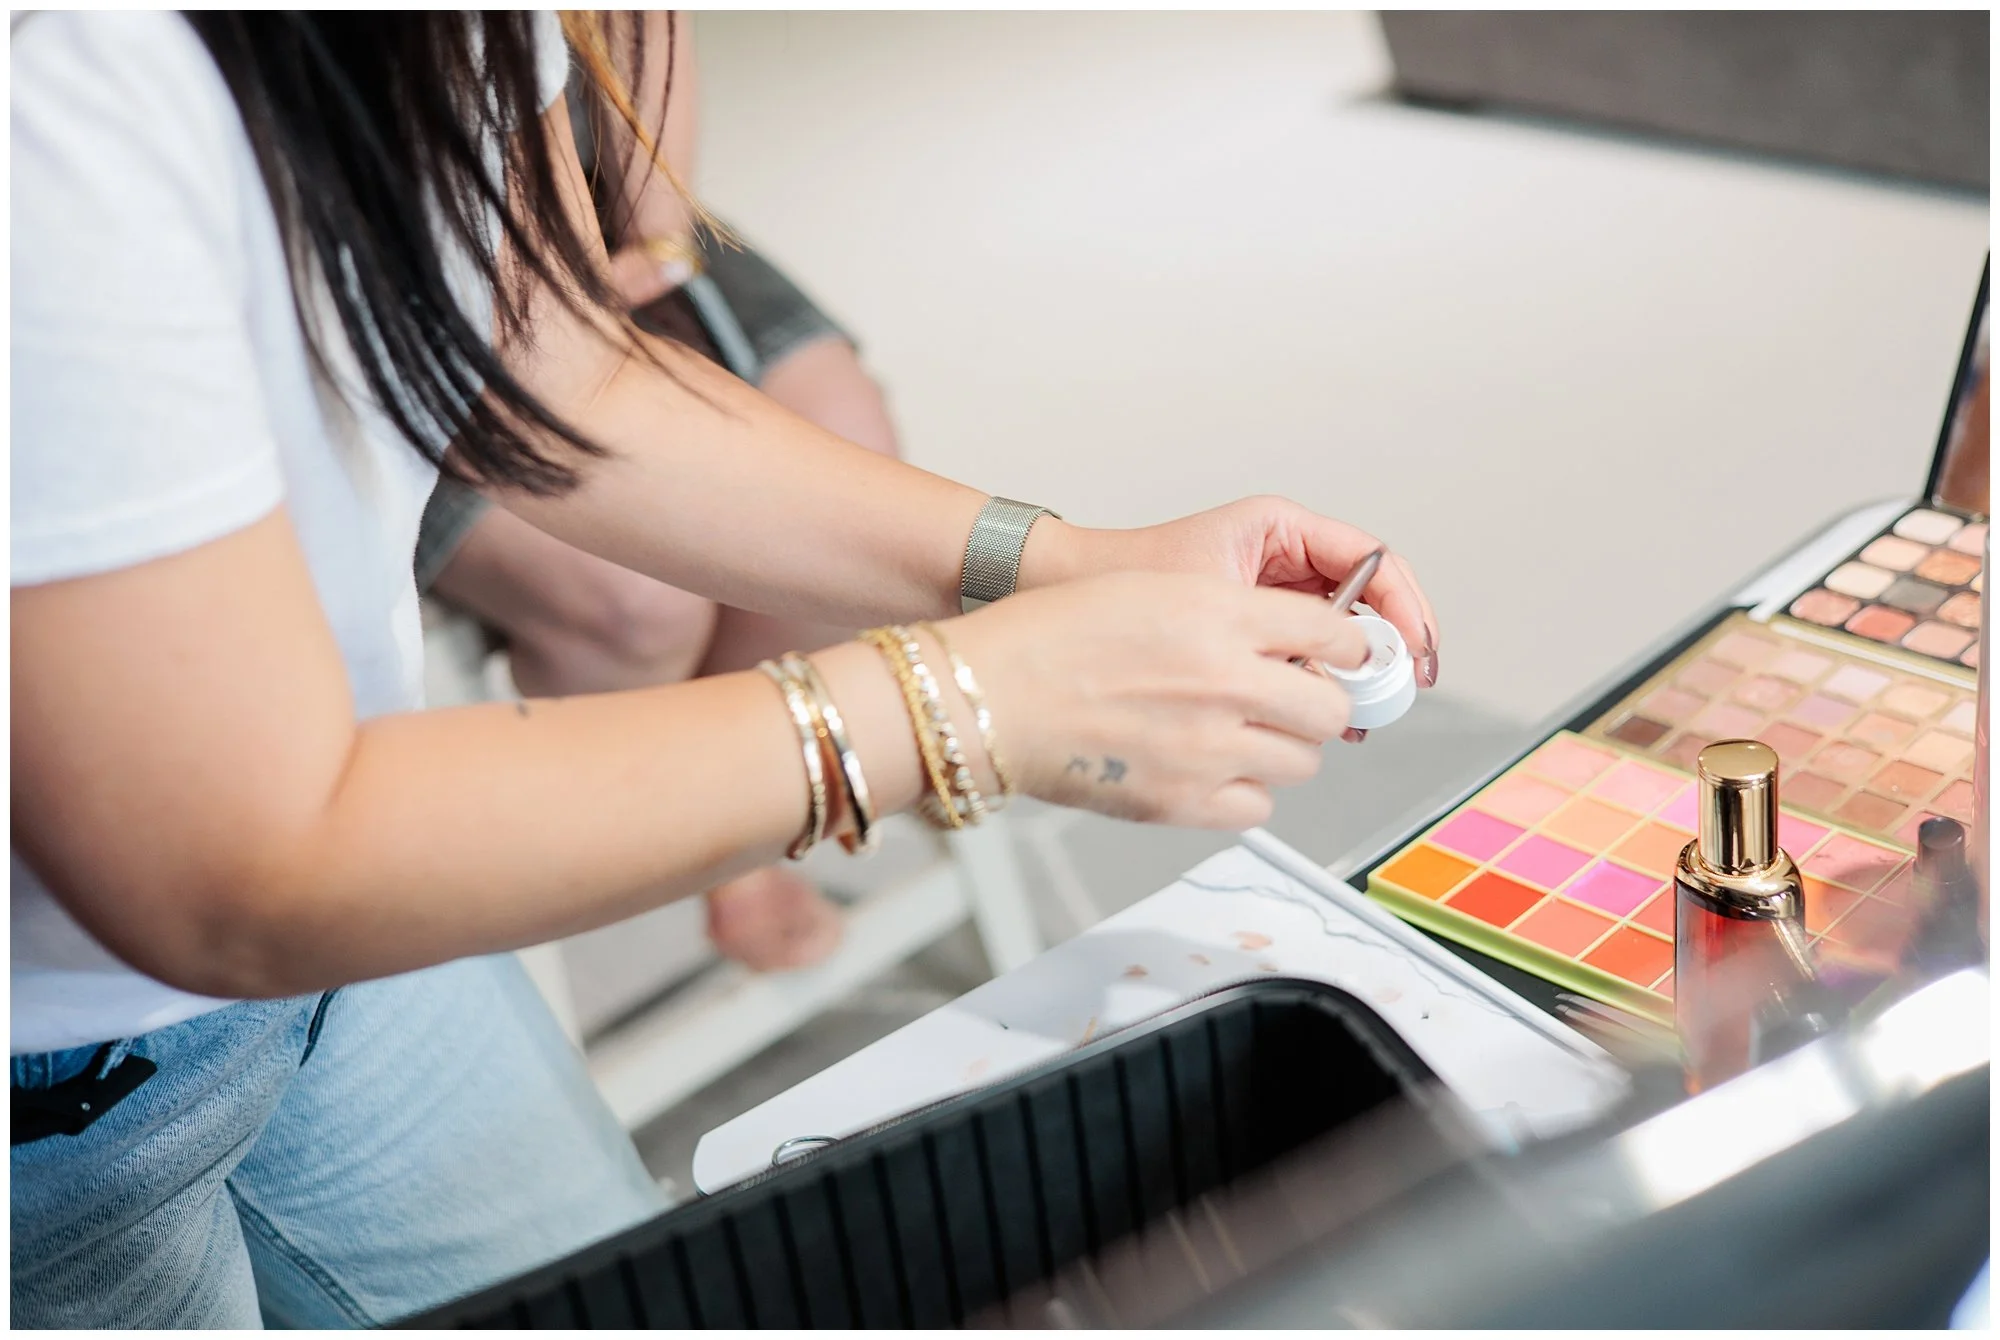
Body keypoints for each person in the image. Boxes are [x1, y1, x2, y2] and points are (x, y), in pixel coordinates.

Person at [10, 11, 1440, 1328]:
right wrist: (971, 699)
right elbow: (241, 868)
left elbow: (557, 370)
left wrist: (1061, 564)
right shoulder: (58, 87)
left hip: (360, 958)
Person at [420, 25, 895, 970]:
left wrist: (655, 237)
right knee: (632, 603)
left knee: (849, 475)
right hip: (375, 267)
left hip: (573, 173)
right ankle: (714, 839)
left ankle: (750, 803)